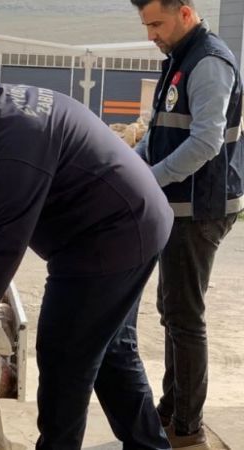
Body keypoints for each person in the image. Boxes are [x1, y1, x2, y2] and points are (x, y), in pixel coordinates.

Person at [0, 65, 173, 449]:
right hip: (132, 220)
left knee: (64, 356)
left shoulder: (13, 142)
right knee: (109, 349)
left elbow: (3, 246)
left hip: (107, 240)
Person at [130, 1, 243, 447]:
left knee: (185, 317)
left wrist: (149, 181)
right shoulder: (179, 57)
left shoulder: (209, 62)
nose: (151, 34)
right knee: (173, 312)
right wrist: (131, 169)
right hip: (177, 206)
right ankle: (172, 407)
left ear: (186, 13)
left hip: (199, 210)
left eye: (156, 23)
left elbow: (205, 143)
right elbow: (161, 130)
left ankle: (187, 428)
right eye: (146, 25)